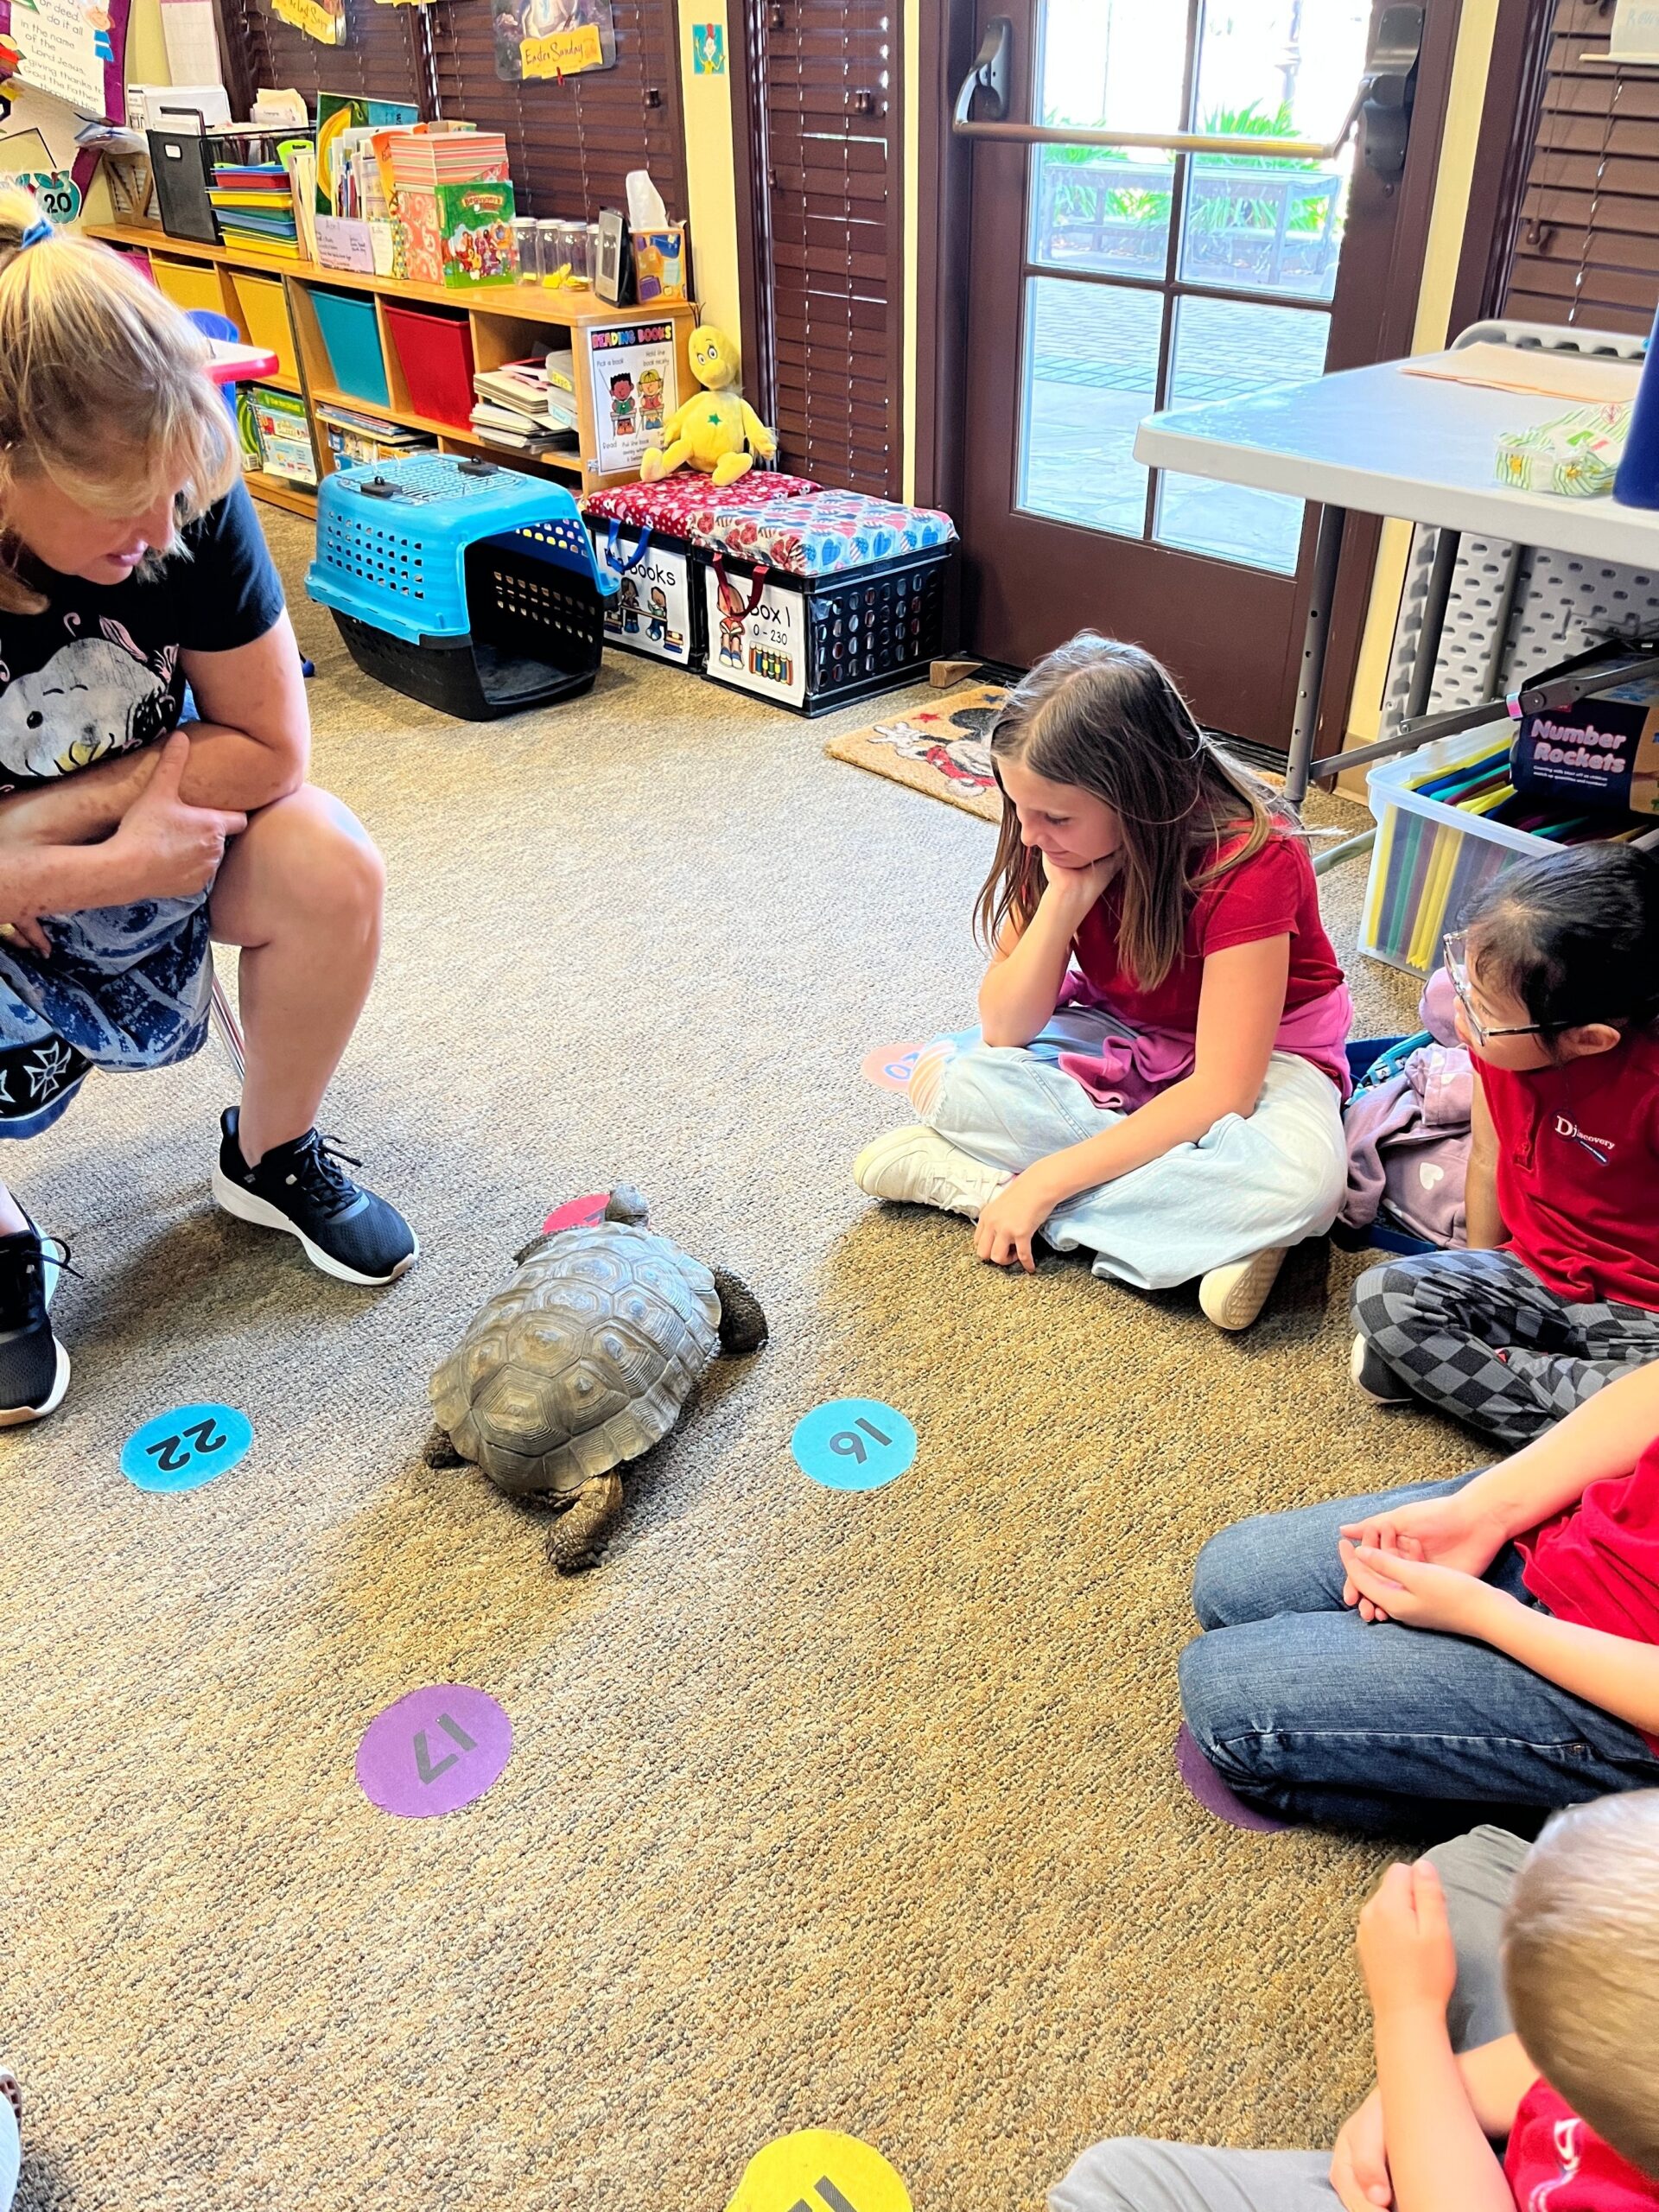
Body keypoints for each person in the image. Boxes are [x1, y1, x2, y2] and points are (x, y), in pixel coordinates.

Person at [0, 190, 415, 1426]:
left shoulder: (185, 495)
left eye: (176, 493)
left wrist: (44, 833)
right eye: (120, 500)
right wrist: (77, 869)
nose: (158, 530)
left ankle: (269, 1151)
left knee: (330, 860)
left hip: (149, 841)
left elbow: (271, 747)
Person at [852, 634, 1351, 1332]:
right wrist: (1063, 901)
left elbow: (1225, 1090)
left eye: (1055, 818)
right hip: (1123, 1031)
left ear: (1141, 798)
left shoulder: (1252, 860)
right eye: (1018, 808)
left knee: (1305, 1187)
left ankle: (985, 1189)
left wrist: (1046, 1182)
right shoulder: (1050, 843)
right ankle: (1203, 1231)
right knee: (953, 1078)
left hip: (1268, 1057)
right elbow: (1004, 1026)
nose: (1030, 835)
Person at [1050, 1790, 1659, 2212]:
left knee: (1113, 2187)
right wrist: (1427, 2090)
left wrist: (1408, 2019)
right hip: (1592, 2125)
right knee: (1470, 1867)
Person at [1178, 1353, 1659, 1834]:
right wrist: (1485, 1510)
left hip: (1623, 1690)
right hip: (1586, 1520)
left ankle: (1576, 1814)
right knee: (1227, 1579)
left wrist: (1482, 1616)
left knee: (1225, 1711)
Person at [1350, 845, 1659, 1445]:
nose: (1458, 1017)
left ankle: (1573, 1430)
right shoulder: (1498, 1051)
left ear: (1588, 1040)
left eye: (1483, 1010)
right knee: (1383, 1296)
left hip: (1642, 1315)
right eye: (1463, 985)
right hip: (1534, 1275)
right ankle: (1597, 1435)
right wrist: (1475, 1276)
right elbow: (1487, 1159)